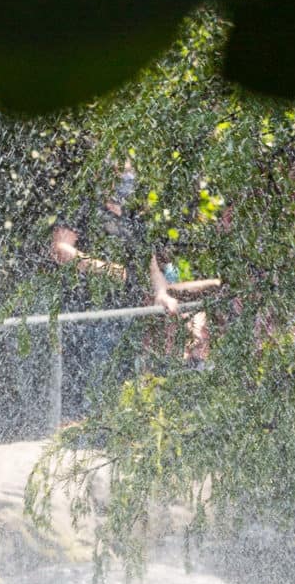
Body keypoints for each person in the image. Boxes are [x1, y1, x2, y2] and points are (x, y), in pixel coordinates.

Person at [47, 168, 219, 409]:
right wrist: (110, 270)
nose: (126, 179)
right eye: (120, 172)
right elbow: (60, 249)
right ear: (102, 175)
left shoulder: (134, 220)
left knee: (122, 380)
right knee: (86, 379)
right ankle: (76, 428)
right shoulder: (84, 209)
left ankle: (111, 432)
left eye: (129, 172)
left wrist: (161, 294)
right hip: (87, 313)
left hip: (128, 315)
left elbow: (151, 268)